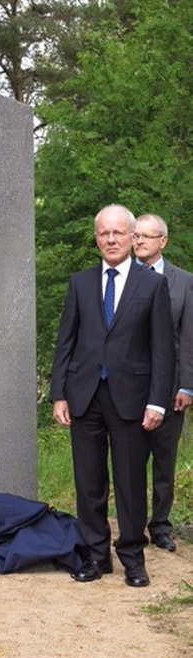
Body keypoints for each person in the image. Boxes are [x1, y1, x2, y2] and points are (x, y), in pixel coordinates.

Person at [50, 205, 176, 587]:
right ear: (96, 238)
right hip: (84, 396)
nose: (111, 240)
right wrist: (59, 395)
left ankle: (133, 559)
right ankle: (95, 556)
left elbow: (162, 350)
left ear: (132, 236)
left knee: (130, 483)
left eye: (118, 233)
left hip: (132, 400)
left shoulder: (152, 284)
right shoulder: (81, 283)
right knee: (88, 483)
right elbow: (65, 342)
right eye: (104, 234)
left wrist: (157, 401)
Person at [133, 214, 193, 551]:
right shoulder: (121, 278)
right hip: (130, 390)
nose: (139, 241)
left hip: (171, 391)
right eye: (136, 236)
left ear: (163, 241)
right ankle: (133, 527)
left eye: (146, 236)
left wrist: (187, 385)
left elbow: (189, 337)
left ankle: (160, 526)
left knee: (164, 464)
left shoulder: (184, 282)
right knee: (131, 464)